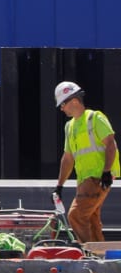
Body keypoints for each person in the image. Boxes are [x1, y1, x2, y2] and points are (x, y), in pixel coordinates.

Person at [55, 80, 117, 245]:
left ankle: (89, 252)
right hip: (84, 181)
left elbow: (111, 143)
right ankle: (101, 256)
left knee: (76, 215)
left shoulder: (95, 118)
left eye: (63, 103)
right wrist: (59, 185)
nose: (61, 108)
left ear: (74, 101)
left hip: (97, 178)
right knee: (91, 219)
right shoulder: (70, 127)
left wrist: (106, 172)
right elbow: (68, 158)